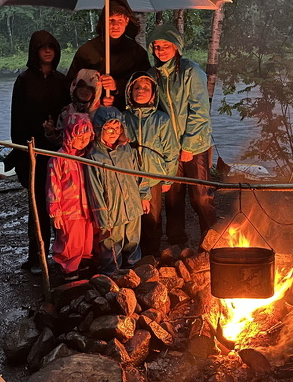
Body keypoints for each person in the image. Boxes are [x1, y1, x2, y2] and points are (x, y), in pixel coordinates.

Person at [148, 23, 216, 247]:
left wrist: (188, 146)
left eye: (166, 45)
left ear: (176, 47)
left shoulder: (191, 72)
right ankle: (177, 243)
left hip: (195, 146)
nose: (161, 51)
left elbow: (200, 111)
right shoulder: (153, 76)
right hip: (169, 148)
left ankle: (211, 242)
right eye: (156, 47)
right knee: (173, 197)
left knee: (201, 197)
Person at [10, 30, 70, 271]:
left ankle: (64, 253)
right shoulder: (23, 80)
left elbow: (70, 113)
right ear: (34, 51)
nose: (47, 50)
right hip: (32, 150)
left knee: (59, 205)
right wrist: (21, 154)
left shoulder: (62, 81)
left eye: (51, 47)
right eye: (42, 47)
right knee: (36, 206)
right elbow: (16, 120)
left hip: (57, 151)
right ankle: (36, 257)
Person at [86, 106, 151, 274]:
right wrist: (102, 215)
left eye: (117, 127)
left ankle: (133, 270)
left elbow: (139, 172)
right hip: (112, 209)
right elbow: (95, 189)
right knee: (112, 243)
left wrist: (144, 195)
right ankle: (112, 274)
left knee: (133, 239)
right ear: (99, 128)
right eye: (108, 128)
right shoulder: (94, 156)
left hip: (132, 204)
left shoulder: (126, 149)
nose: (113, 132)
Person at [122, 72, 179, 256]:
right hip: (129, 177)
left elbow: (171, 150)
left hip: (153, 175)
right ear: (129, 91)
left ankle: (151, 256)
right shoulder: (123, 118)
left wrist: (168, 179)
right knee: (131, 217)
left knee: (152, 219)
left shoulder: (161, 119)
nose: (141, 91)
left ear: (153, 93)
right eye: (137, 87)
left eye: (146, 88)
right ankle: (131, 256)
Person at [66, 0, 151, 111]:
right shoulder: (87, 51)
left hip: (126, 116)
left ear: (127, 21)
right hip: (92, 115)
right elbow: (71, 85)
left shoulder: (137, 52)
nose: (115, 25)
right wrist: (97, 98)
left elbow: (146, 85)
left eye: (120, 20)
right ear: (104, 21)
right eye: (111, 20)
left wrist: (117, 86)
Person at [47, 112, 95, 282]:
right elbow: (53, 188)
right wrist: (55, 212)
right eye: (79, 137)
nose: (83, 141)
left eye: (87, 137)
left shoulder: (87, 157)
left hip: (87, 208)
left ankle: (84, 264)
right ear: (69, 135)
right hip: (69, 210)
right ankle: (68, 269)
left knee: (87, 239)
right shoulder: (58, 159)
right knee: (70, 241)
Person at [44, 68, 103, 147]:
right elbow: (61, 142)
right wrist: (51, 133)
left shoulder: (102, 114)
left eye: (90, 88)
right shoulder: (66, 112)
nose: (84, 90)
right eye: (81, 86)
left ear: (96, 91)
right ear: (74, 87)